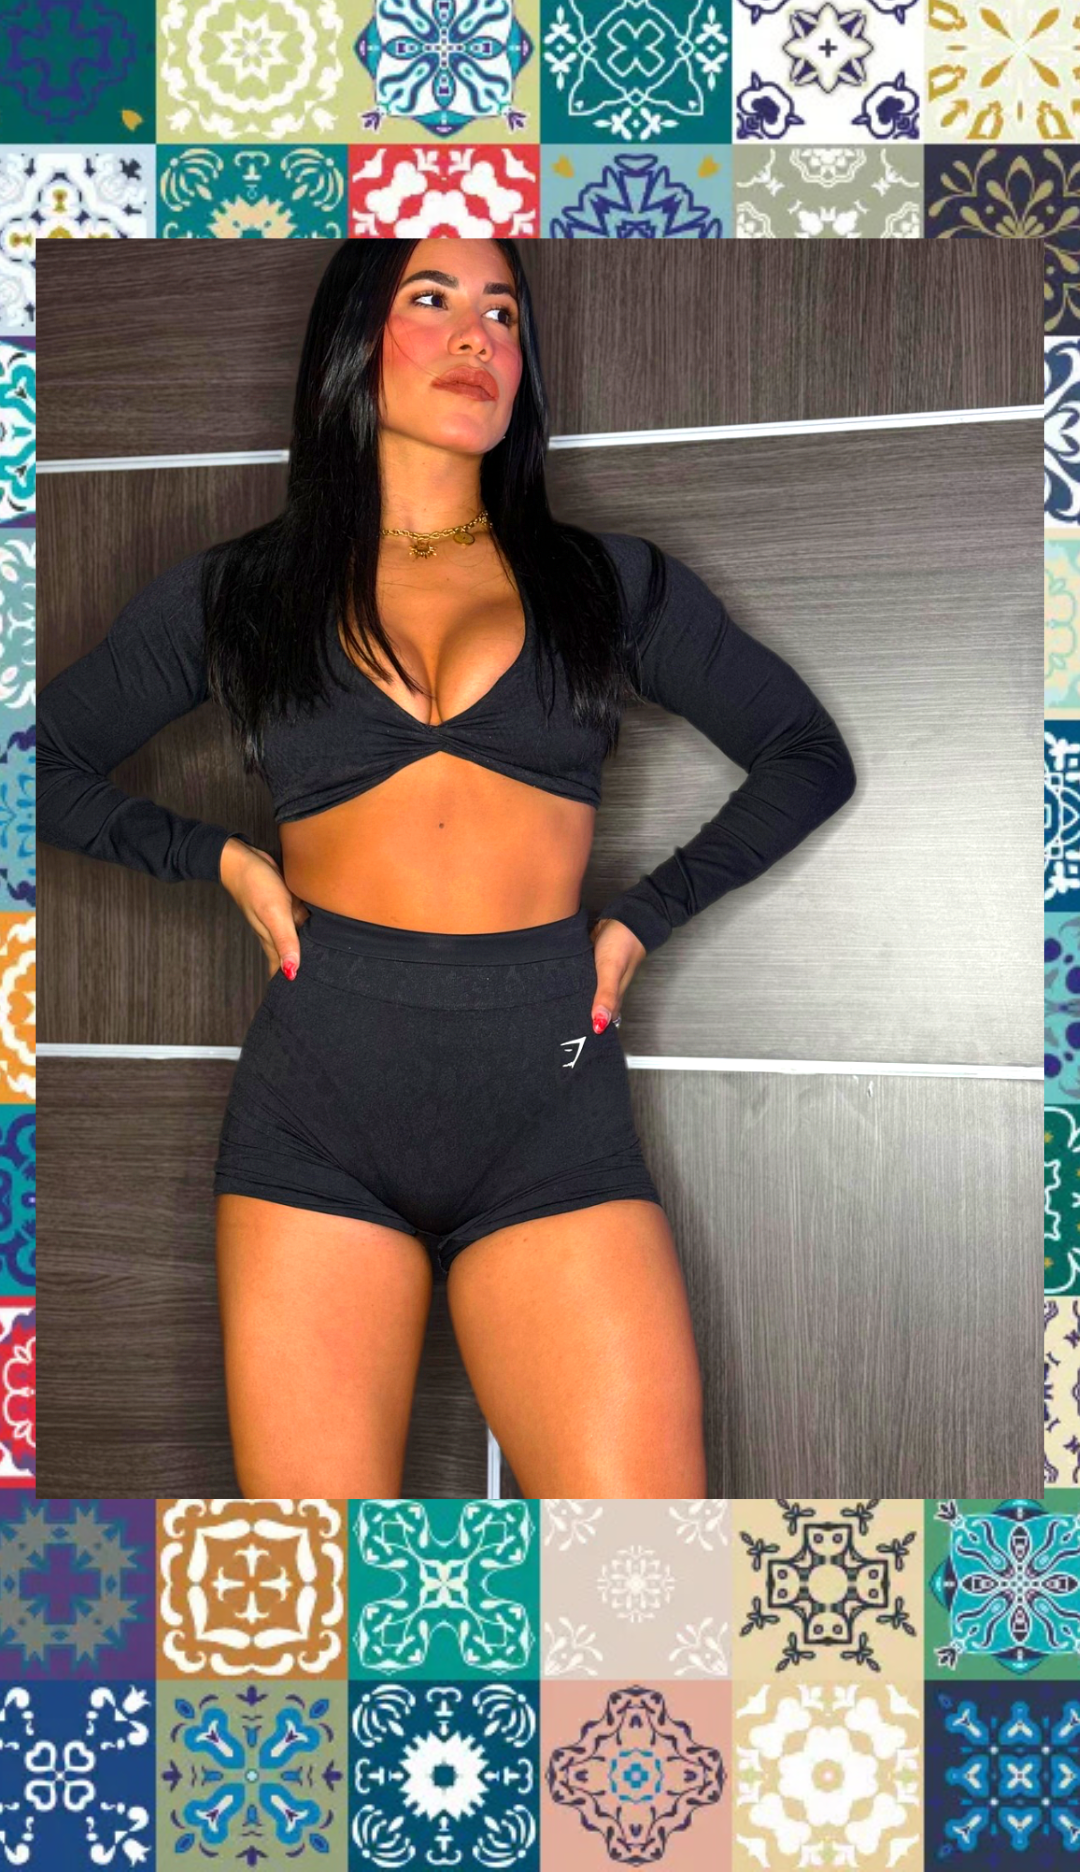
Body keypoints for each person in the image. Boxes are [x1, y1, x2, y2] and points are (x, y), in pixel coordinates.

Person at [37, 238, 857, 1502]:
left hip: (549, 1105)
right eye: (433, 299)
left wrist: (645, 917)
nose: (479, 336)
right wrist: (220, 859)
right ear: (355, 338)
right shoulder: (241, 593)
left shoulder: (606, 584)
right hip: (319, 1108)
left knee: (643, 1584)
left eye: (503, 311)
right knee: (329, 1596)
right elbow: (36, 767)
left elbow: (807, 755)